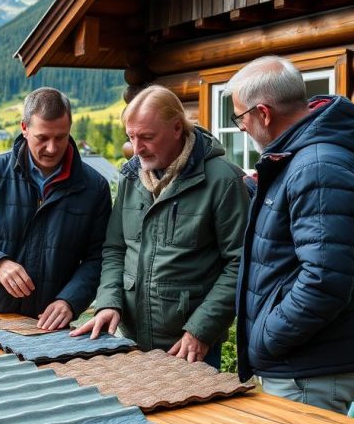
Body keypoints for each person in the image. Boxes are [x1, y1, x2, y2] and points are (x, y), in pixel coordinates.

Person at [224, 55, 354, 414]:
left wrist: (264, 338)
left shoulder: (318, 167)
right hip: (304, 364)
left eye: (241, 117)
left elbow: (324, 281)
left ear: (263, 113)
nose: (242, 128)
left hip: (309, 370)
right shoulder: (302, 160)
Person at [71, 85, 248, 368]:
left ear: (177, 128)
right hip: (128, 341)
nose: (137, 148)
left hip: (189, 347)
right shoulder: (131, 177)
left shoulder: (222, 181)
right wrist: (108, 302)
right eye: (131, 137)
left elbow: (240, 264)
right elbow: (116, 249)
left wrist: (200, 330)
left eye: (147, 137)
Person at [0, 87, 112, 330]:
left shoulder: (94, 187)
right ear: (24, 128)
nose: (52, 148)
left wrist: (70, 300)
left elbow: (99, 257)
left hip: (53, 323)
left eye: (61, 137)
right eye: (42, 138)